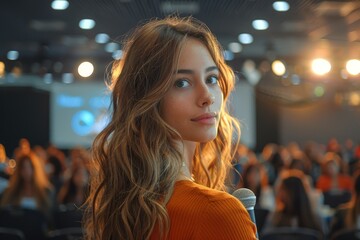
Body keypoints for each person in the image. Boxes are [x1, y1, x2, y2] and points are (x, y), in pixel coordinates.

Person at [84, 16, 257, 240]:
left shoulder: (126, 210)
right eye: (182, 83)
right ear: (147, 98)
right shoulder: (218, 212)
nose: (207, 97)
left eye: (212, 78)